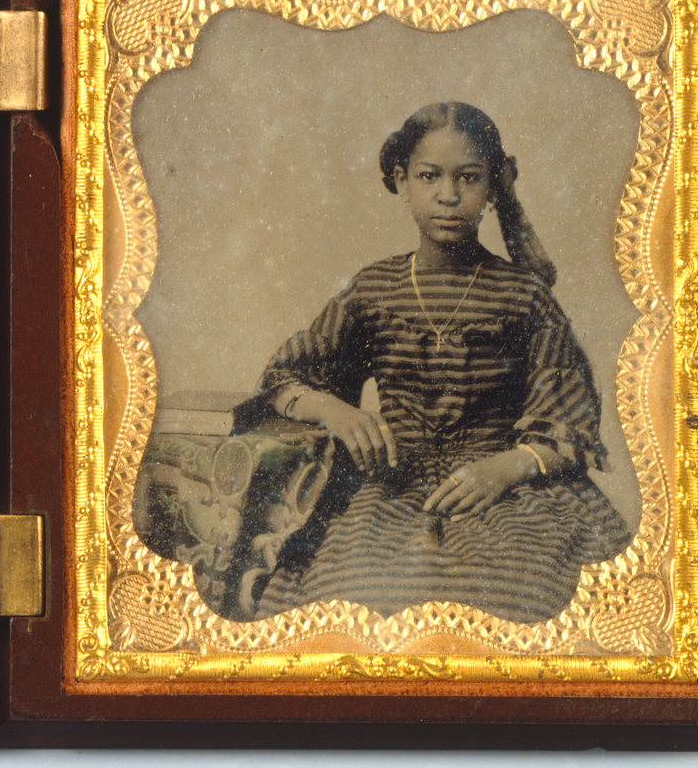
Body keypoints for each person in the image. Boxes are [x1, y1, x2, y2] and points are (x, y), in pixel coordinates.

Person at [248, 102, 633, 624]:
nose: (449, 196)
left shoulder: (523, 295)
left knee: (519, 597)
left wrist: (504, 468)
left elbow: (568, 423)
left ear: (493, 187)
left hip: (507, 496)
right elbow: (286, 375)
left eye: (469, 178)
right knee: (354, 596)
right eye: (430, 176)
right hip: (388, 492)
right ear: (402, 181)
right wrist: (333, 410)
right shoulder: (373, 288)